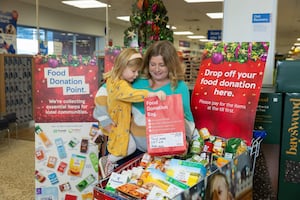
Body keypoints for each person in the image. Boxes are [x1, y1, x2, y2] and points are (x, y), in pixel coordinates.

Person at [94, 40, 196, 168]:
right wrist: (106, 123)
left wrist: (185, 140)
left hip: (160, 156)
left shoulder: (179, 87)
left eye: (162, 65)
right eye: (153, 64)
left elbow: (186, 117)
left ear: (171, 65)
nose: (157, 69)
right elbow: (106, 92)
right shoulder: (135, 79)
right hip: (127, 151)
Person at [94, 48, 166, 178]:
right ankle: (109, 160)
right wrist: (151, 94)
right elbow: (130, 94)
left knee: (128, 147)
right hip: (119, 126)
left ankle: (110, 161)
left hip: (121, 124)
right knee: (129, 147)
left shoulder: (113, 80)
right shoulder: (120, 85)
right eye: (133, 71)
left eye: (138, 71)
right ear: (122, 67)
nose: (136, 74)